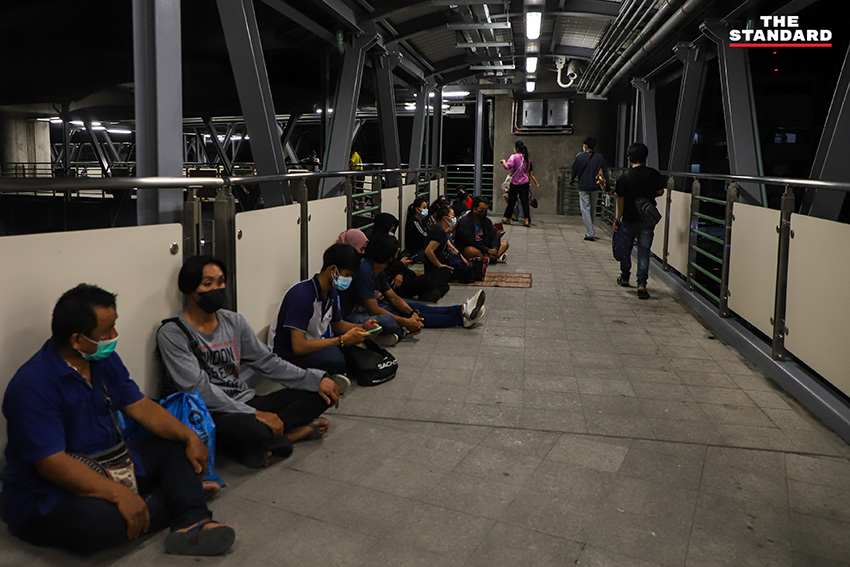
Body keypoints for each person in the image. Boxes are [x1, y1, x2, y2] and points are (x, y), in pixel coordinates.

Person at [2, 284, 235, 556]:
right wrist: (119, 495)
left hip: (110, 464)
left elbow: (140, 407)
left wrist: (189, 436)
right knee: (99, 523)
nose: (114, 336)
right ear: (77, 340)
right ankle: (181, 495)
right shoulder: (33, 385)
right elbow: (53, 465)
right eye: (107, 331)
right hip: (49, 493)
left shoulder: (104, 361)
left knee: (176, 447)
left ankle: (192, 520)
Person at [157, 256, 343, 469]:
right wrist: (254, 414)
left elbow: (267, 361)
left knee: (321, 395)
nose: (217, 288)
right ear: (189, 289)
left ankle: (265, 441)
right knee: (251, 429)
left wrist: (315, 380)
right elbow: (198, 390)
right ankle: (289, 436)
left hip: (247, 400)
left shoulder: (233, 322)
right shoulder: (173, 333)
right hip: (212, 412)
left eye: (221, 282)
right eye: (208, 284)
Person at [339, 233, 487, 345]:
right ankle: (461, 319)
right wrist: (406, 321)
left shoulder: (378, 270)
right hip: (354, 315)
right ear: (389, 257)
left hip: (374, 308)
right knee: (389, 320)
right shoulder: (365, 271)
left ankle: (461, 310)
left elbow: (392, 297)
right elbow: (373, 309)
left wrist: (411, 313)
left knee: (418, 308)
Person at [269, 244, 380, 375]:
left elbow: (338, 325)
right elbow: (298, 347)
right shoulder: (301, 296)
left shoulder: (331, 292)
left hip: (311, 345)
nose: (349, 280)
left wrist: (363, 327)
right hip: (286, 356)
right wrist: (341, 340)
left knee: (351, 349)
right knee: (335, 357)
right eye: (347, 275)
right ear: (333, 269)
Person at [613, 142, 666, 300]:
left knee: (626, 249)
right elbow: (660, 191)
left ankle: (625, 277)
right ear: (645, 157)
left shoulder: (624, 177)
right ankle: (641, 284)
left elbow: (620, 200)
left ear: (629, 158)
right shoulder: (653, 174)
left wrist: (618, 218)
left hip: (629, 219)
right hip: (646, 221)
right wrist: (648, 196)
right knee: (644, 252)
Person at [570, 136, 609, 241]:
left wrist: (572, 179)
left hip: (583, 186)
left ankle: (590, 232)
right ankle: (590, 229)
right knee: (592, 208)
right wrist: (608, 186)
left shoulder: (579, 157)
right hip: (595, 186)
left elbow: (574, 170)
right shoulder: (599, 157)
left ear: (586, 146)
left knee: (585, 209)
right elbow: (605, 172)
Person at [456, 197, 509, 264]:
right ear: (474, 209)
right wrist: (487, 250)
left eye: (486, 209)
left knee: (505, 244)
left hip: (485, 245)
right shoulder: (465, 222)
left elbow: (494, 236)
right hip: (474, 247)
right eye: (482, 209)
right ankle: (491, 258)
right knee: (470, 250)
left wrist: (494, 249)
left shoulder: (486, 221)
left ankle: (488, 258)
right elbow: (469, 241)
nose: (484, 212)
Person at [500, 141, 532, 227]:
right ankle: (527, 220)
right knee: (524, 201)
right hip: (524, 182)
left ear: (517, 148)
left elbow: (507, 167)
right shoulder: (526, 158)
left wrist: (503, 161)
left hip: (514, 182)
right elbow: (527, 171)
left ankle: (508, 218)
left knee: (512, 201)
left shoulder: (513, 157)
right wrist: (529, 182)